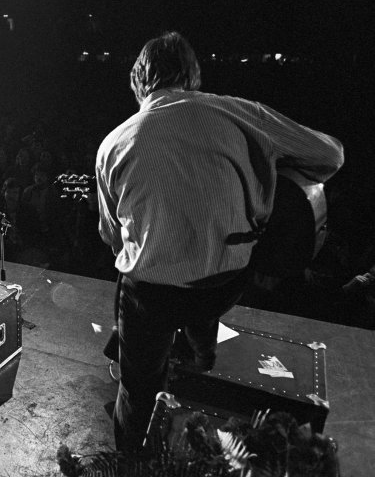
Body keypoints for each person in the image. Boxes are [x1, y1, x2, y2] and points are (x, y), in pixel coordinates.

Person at [95, 31, 344, 452]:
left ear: (138, 81)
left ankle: (133, 450)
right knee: (199, 274)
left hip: (152, 297)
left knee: (137, 383)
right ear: (193, 76)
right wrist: (270, 174)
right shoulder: (240, 113)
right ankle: (201, 355)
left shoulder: (112, 144)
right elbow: (331, 155)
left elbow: (110, 237)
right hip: (224, 285)